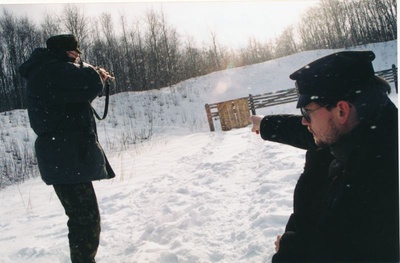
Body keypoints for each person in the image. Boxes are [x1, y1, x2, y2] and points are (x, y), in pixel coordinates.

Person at [250, 51, 399, 262]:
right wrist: (265, 124)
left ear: (341, 110)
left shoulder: (379, 185)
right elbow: (308, 130)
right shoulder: (362, 126)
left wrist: (291, 250)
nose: (304, 121)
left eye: (306, 112)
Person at [19, 34, 115, 263]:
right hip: (65, 156)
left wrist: (90, 74)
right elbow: (88, 83)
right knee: (85, 219)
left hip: (64, 156)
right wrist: (96, 73)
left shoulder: (48, 70)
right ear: (65, 52)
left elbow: (80, 91)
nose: (77, 58)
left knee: (82, 217)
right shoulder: (50, 70)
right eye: (75, 54)